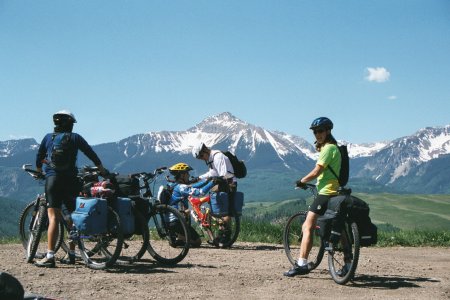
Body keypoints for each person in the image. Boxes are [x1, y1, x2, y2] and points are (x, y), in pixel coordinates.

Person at [35, 110, 108, 268]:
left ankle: (50, 256)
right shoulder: (75, 138)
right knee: (72, 215)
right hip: (71, 180)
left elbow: (39, 157)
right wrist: (101, 169)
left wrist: (41, 171)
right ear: (70, 124)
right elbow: (90, 153)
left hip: (53, 179)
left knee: (53, 215)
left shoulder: (48, 138)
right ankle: (72, 253)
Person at [284, 117, 342, 277]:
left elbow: (317, 171)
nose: (317, 134)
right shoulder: (333, 148)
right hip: (335, 191)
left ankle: (301, 263)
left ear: (328, 131)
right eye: (315, 132)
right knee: (337, 224)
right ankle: (348, 262)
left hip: (326, 193)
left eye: (321, 131)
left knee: (307, 226)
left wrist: (301, 181)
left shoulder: (328, 149)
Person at [191, 142, 237, 246]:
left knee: (226, 211)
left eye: (201, 156)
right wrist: (199, 178)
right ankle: (221, 234)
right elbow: (212, 173)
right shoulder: (211, 159)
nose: (202, 159)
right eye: (199, 158)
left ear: (205, 150)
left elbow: (223, 174)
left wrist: (212, 181)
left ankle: (226, 236)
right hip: (221, 182)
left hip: (229, 184)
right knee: (218, 210)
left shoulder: (218, 157)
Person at [167, 162, 215, 247]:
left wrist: (206, 181)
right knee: (197, 242)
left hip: (170, 221)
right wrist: (213, 183)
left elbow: (193, 187)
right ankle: (179, 239)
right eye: (187, 173)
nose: (189, 175)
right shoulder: (181, 187)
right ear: (182, 175)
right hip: (177, 221)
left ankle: (177, 237)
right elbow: (200, 193)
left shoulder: (174, 185)